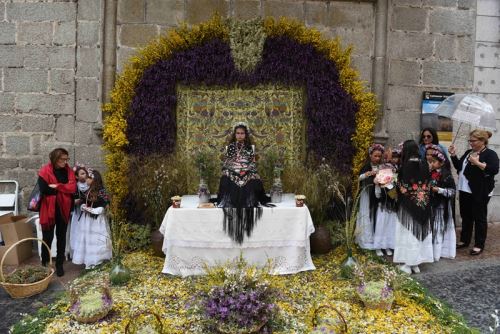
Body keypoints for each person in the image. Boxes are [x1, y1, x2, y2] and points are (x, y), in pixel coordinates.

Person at [216, 122, 271, 244]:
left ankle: (249, 201)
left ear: (245, 135)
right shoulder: (230, 147)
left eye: (242, 133)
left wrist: (248, 171)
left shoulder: (250, 147)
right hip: (234, 170)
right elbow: (228, 163)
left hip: (246, 170)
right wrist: (233, 171)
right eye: (238, 133)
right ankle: (232, 201)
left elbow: (252, 163)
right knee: (225, 178)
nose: (240, 135)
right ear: (235, 135)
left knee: (255, 179)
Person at [449, 130, 499, 255]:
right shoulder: (468, 152)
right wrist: (453, 155)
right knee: (466, 216)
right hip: (465, 189)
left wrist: (477, 163)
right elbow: (459, 167)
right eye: (469, 140)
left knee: (479, 217)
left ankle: (479, 244)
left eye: (473, 141)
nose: (470, 143)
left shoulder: (490, 154)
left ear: (482, 141)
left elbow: (494, 170)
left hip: (480, 190)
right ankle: (465, 240)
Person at [393, 140, 434, 274]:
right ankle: (415, 264)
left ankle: (408, 264)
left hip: (408, 206)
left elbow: (402, 186)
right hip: (423, 204)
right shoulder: (424, 163)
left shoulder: (406, 165)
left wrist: (393, 182)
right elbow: (426, 184)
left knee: (408, 234)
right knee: (417, 234)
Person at [38, 148, 76, 276]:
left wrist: (58, 186)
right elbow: (44, 189)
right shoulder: (45, 171)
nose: (65, 162)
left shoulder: (69, 171)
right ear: (55, 158)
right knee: (47, 237)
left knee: (61, 237)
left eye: (66, 159)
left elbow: (72, 188)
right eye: (62, 159)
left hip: (64, 209)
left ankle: (59, 264)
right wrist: (63, 189)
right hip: (48, 209)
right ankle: (44, 264)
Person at [72, 170, 112, 268]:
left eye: (89, 178)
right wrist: (83, 206)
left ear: (94, 179)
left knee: (96, 239)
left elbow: (104, 204)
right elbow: (82, 200)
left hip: (96, 221)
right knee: (88, 239)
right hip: (87, 220)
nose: (86, 179)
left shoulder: (101, 191)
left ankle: (98, 259)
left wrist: (95, 210)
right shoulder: (88, 190)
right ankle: (89, 259)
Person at [355, 143, 384, 250]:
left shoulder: (382, 167)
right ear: (370, 155)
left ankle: (374, 238)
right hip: (366, 193)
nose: (377, 158)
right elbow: (359, 178)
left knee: (374, 214)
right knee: (366, 213)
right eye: (375, 156)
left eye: (379, 156)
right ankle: (365, 240)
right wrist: (367, 174)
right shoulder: (366, 166)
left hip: (376, 193)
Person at [429, 150, 456, 261]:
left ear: (441, 163)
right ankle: (430, 251)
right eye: (430, 162)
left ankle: (438, 252)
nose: (431, 164)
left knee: (438, 228)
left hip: (441, 207)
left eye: (434, 162)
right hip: (431, 205)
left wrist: (439, 190)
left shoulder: (447, 176)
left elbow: (452, 191)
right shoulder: (430, 173)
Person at [69, 164, 90, 259]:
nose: (84, 175)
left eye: (85, 173)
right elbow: (70, 201)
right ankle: (80, 256)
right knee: (79, 234)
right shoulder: (74, 187)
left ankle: (89, 254)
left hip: (89, 213)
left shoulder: (90, 184)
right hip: (78, 214)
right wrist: (75, 201)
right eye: (81, 174)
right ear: (76, 176)